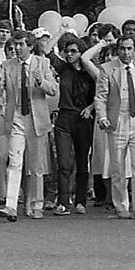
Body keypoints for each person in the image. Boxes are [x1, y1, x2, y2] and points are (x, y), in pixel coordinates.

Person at [0, 30, 57, 221]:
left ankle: (37, 204)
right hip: (16, 117)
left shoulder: (42, 63)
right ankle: (11, 205)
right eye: (15, 45)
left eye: (21, 45)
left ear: (30, 46)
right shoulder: (6, 65)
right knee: (14, 161)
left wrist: (41, 81)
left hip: (36, 118)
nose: (17, 49)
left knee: (36, 165)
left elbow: (53, 89)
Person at [95, 36, 135, 220]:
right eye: (123, 48)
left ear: (134, 49)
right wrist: (103, 117)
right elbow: (100, 97)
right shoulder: (108, 69)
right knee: (118, 167)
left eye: (129, 48)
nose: (126, 52)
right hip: (118, 121)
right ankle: (121, 205)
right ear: (118, 50)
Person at [48, 33, 96, 216]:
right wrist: (59, 32)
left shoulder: (90, 71)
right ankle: (63, 201)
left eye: (74, 51)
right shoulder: (63, 68)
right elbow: (46, 51)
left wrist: (91, 108)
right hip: (64, 118)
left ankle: (80, 200)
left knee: (82, 162)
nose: (69, 55)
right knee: (64, 162)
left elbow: (101, 92)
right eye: (67, 51)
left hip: (84, 118)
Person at [82, 23, 119, 207]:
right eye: (107, 55)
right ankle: (107, 197)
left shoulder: (128, 67)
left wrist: (116, 44)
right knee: (103, 158)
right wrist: (102, 45)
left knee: (119, 158)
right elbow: (85, 58)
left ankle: (118, 197)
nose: (111, 58)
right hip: (103, 118)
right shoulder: (101, 72)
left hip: (122, 117)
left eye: (114, 53)